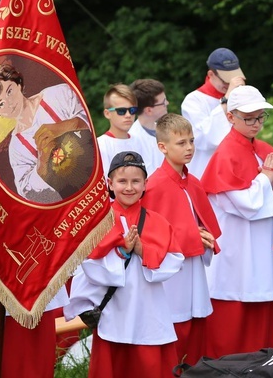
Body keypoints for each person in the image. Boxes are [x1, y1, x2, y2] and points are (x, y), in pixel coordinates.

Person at [64, 151, 184, 378]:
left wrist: (142, 249)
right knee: (114, 361)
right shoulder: (99, 221)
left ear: (145, 184)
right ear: (110, 183)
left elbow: (175, 260)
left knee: (150, 361)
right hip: (115, 308)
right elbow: (88, 264)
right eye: (122, 181)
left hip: (148, 306)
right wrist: (120, 251)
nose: (129, 187)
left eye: (136, 181)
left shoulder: (158, 221)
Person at [200, 85, 273, 357]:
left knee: (267, 323)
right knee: (233, 325)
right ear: (231, 117)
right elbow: (244, 205)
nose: (256, 123)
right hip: (237, 251)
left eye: (261, 117)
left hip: (264, 248)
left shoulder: (266, 149)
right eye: (249, 118)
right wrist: (266, 180)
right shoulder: (225, 153)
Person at [145, 113, 222, 365]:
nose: (189, 148)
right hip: (171, 273)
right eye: (181, 143)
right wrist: (191, 236)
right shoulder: (154, 186)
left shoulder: (194, 183)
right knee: (175, 326)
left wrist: (205, 237)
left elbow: (205, 224)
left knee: (197, 324)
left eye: (191, 141)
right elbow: (151, 236)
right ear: (162, 147)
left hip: (195, 268)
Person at [0, 62, 92, 203]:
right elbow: (27, 192)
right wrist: (42, 163)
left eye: (9, 91)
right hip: (71, 202)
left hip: (95, 176)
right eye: (0, 104)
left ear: (18, 84)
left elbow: (88, 120)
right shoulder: (17, 148)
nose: (9, 103)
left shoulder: (57, 94)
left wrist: (63, 127)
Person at [181, 47, 246, 178]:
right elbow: (204, 138)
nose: (229, 84)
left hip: (236, 167)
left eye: (233, 79)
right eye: (225, 80)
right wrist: (226, 100)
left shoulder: (238, 96)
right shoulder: (193, 100)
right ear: (211, 75)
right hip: (205, 170)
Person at [97, 84, 141, 177]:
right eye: (121, 111)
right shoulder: (100, 146)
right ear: (107, 113)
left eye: (132, 110)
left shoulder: (141, 141)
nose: (128, 115)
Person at [129, 78, 169, 175]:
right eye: (163, 102)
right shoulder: (133, 141)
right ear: (149, 110)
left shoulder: (167, 130)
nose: (167, 103)